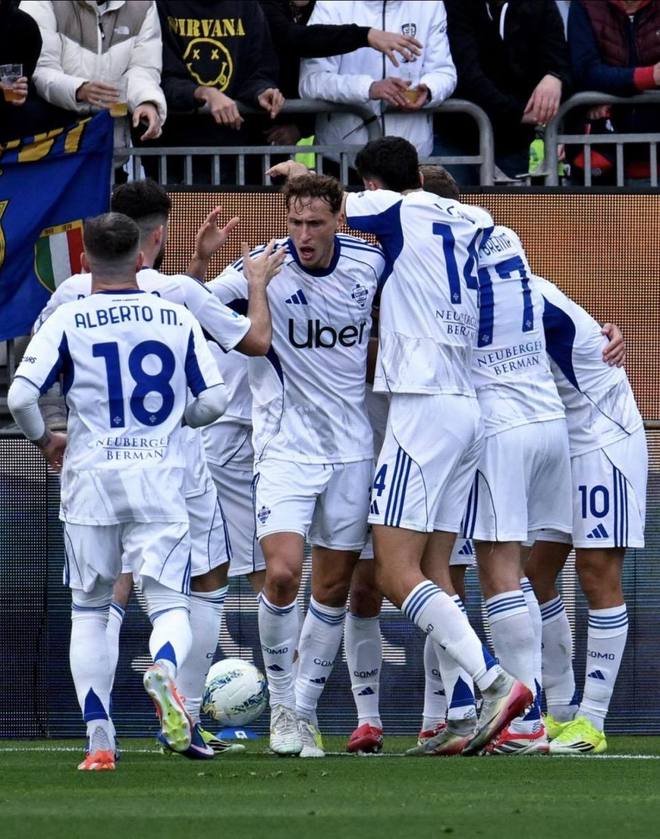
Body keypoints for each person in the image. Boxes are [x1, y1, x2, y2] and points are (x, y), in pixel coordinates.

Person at [269, 138, 534, 756]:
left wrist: (300, 172)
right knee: (436, 571)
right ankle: (460, 714)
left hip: (420, 403)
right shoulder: (474, 217)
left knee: (392, 571)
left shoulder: (386, 207)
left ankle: (495, 683)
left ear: (371, 185)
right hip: (467, 405)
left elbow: (329, 209)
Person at [35, 180, 284, 759]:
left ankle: (100, 733)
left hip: (96, 464)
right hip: (177, 463)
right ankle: (185, 713)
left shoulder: (71, 293)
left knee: (101, 596)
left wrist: (53, 432)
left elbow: (38, 372)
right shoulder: (178, 293)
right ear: (159, 234)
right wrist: (255, 284)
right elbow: (255, 341)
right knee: (203, 580)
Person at [7, 212, 227, 770]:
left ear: (84, 263)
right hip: (158, 477)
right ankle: (165, 670)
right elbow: (214, 399)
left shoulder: (69, 317)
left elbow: (20, 397)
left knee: (90, 607)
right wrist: (178, 423)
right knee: (169, 602)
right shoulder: (176, 316)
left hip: (90, 479)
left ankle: (100, 740)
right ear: (142, 258)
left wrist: (46, 441)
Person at [207, 173, 387, 757]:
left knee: (332, 588)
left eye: (315, 223)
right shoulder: (262, 266)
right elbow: (185, 306)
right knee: (283, 574)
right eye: (295, 223)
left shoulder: (371, 262)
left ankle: (302, 713)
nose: (303, 235)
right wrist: (209, 263)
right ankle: (283, 706)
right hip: (284, 447)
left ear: (338, 220)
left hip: (352, 451)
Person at [525, 275, 647, 755]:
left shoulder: (523, 293)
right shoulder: (471, 292)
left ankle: (592, 722)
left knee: (596, 572)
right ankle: (560, 711)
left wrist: (607, 335)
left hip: (603, 436)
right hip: (560, 439)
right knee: (535, 574)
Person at [299, 1, 456, 159]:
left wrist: (429, 90)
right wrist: (368, 88)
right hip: (344, 157)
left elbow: (444, 71)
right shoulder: (331, 4)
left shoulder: (430, 4)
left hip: (412, 154)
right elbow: (311, 81)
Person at [149, 0, 284, 183]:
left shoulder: (248, 6)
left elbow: (260, 68)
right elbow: (158, 77)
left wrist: (261, 91)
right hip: (176, 153)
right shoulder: (162, 5)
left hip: (240, 151)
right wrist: (204, 93)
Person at [259, 0, 422, 147]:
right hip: (258, 122)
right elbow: (293, 39)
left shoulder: (320, 5)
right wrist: (365, 35)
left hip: (293, 128)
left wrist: (300, 128)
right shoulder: (264, 6)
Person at [440, 0, 570, 182]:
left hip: (517, 141)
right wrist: (517, 113)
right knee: (456, 197)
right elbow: (467, 74)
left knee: (520, 201)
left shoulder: (541, 5)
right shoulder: (454, 6)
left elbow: (562, 58)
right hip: (459, 136)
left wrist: (555, 76)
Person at [20, 1, 165, 142]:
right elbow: (40, 68)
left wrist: (146, 100)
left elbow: (143, 67)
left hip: (112, 144)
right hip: (54, 143)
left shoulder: (143, 4)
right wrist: (78, 89)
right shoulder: (42, 3)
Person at [567, 0, 660, 183]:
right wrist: (649, 77)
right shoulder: (585, 6)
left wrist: (608, 90)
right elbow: (585, 72)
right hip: (599, 163)